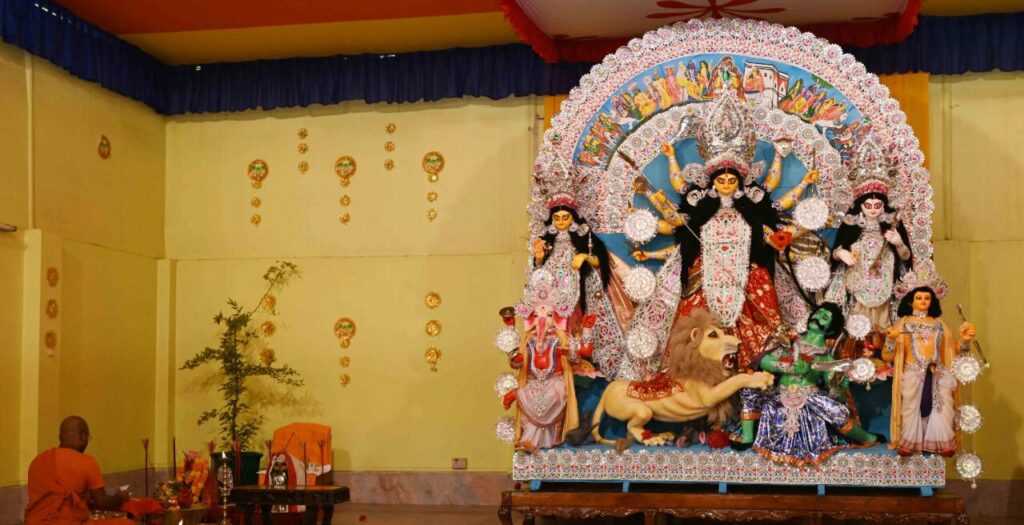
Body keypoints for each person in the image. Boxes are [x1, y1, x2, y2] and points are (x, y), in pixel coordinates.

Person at [750, 304, 881, 466]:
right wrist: (789, 367)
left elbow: (834, 392)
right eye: (818, 313)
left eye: (824, 318)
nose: (818, 317)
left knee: (836, 411)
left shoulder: (826, 357)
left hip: (810, 396)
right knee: (752, 394)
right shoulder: (790, 342)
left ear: (830, 330)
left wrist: (838, 384)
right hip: (780, 393)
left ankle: (865, 437)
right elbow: (763, 360)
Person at [884, 285, 975, 456]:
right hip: (913, 373)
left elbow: (953, 352)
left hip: (938, 372)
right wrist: (890, 340)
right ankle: (910, 442)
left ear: (932, 301)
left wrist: (965, 341)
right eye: (919, 298)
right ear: (910, 302)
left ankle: (942, 442)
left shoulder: (939, 325)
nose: (923, 301)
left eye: (927, 298)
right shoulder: (903, 324)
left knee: (943, 405)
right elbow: (888, 356)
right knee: (911, 407)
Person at [24, 416, 132, 525]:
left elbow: (50, 498)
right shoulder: (87, 462)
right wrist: (120, 497)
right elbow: (102, 502)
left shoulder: (38, 461)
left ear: (60, 437)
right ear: (83, 436)